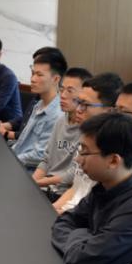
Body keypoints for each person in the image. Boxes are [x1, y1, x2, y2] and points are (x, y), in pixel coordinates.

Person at [50, 112, 132, 264]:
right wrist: (88, 238)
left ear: (113, 161)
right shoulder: (106, 185)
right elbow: (64, 221)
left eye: (85, 152)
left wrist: (84, 237)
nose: (78, 159)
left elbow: (80, 260)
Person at [52, 72, 123, 214]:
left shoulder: (108, 153)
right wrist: (51, 210)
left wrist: (58, 215)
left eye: (85, 105)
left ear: (109, 111)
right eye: (78, 102)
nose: (78, 110)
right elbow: (75, 189)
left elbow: (89, 211)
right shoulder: (86, 138)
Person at [33, 67, 90, 198]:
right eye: (62, 89)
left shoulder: (86, 129)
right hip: (45, 186)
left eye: (70, 91)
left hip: (62, 193)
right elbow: (46, 160)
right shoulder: (60, 121)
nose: (63, 95)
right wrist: (32, 182)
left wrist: (37, 183)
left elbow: (72, 175)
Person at [5, 49, 66, 168]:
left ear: (56, 79)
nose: (32, 79)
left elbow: (39, 156)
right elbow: (22, 142)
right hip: (18, 161)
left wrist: (9, 160)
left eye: (39, 75)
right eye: (33, 73)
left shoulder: (56, 114)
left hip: (29, 171)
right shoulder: (39, 104)